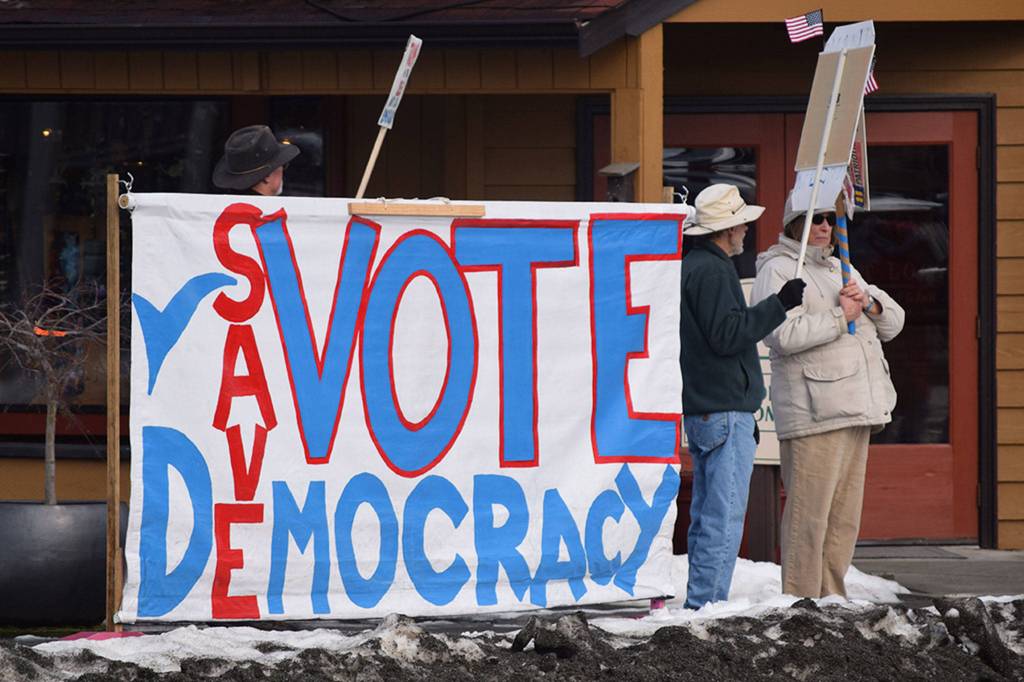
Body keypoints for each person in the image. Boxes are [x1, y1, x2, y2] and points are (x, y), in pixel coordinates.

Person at [750, 195, 905, 599]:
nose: (825, 227)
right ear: (794, 224)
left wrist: (868, 302)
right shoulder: (779, 269)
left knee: (843, 519)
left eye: (830, 219)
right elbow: (781, 334)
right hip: (815, 411)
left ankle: (833, 598)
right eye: (816, 219)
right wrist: (841, 317)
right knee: (809, 516)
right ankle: (802, 602)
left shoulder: (842, 267)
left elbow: (895, 323)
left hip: (856, 407)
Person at [679, 183, 806, 610]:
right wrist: (779, 304)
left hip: (704, 408)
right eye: (742, 224)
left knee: (706, 515)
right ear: (727, 229)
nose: (747, 231)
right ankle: (707, 607)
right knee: (724, 515)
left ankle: (701, 604)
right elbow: (727, 334)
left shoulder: (693, 266)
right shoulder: (713, 271)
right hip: (723, 409)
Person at [212, 125, 300, 196]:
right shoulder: (270, 215)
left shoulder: (222, 212)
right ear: (267, 176)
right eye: (283, 165)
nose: (283, 173)